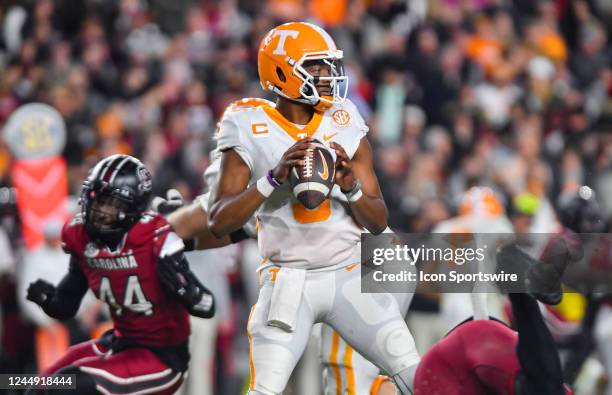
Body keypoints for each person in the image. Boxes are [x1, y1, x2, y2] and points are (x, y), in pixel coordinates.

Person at [207, 22, 420, 395]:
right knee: (266, 389)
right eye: (317, 68)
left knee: (412, 371)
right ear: (281, 71)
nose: (329, 77)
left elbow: (378, 221)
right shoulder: (249, 123)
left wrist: (350, 186)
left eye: (329, 67)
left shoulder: (344, 118)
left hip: (349, 273)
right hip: (289, 280)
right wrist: (271, 181)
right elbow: (219, 220)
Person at [25, 154, 215, 395]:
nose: (99, 210)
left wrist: (183, 288)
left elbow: (206, 305)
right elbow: (67, 304)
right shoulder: (80, 236)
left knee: (67, 385)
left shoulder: (154, 238)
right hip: (119, 341)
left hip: (161, 357)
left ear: (134, 207)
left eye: (110, 203)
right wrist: (50, 301)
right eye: (97, 198)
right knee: (35, 385)